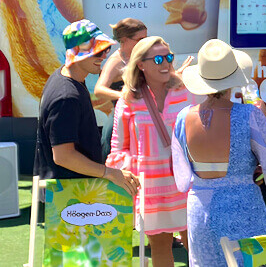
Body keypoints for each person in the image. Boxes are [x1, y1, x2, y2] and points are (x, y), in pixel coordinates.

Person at [171, 39, 266, 267]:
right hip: (243, 206)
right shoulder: (249, 114)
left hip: (200, 208)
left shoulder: (182, 116)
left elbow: (180, 172)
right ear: (233, 79)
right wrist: (263, 120)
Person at [106, 36, 193, 266]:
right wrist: (132, 166)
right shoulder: (128, 100)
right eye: (157, 59)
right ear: (141, 64)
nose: (165, 63)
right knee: (160, 248)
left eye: (168, 57)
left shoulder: (187, 91)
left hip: (186, 183)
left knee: (196, 244)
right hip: (151, 188)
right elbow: (118, 146)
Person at [32, 19, 139, 197]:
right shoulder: (66, 97)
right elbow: (64, 156)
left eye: (105, 49)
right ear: (76, 53)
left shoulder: (65, 77)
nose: (103, 56)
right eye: (97, 52)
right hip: (67, 195)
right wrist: (109, 173)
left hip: (74, 190)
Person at [94, 18, 148, 159]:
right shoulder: (116, 61)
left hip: (140, 119)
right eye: (140, 39)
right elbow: (99, 89)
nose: (145, 42)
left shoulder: (142, 56)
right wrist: (124, 96)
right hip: (119, 123)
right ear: (124, 39)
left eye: (146, 37)